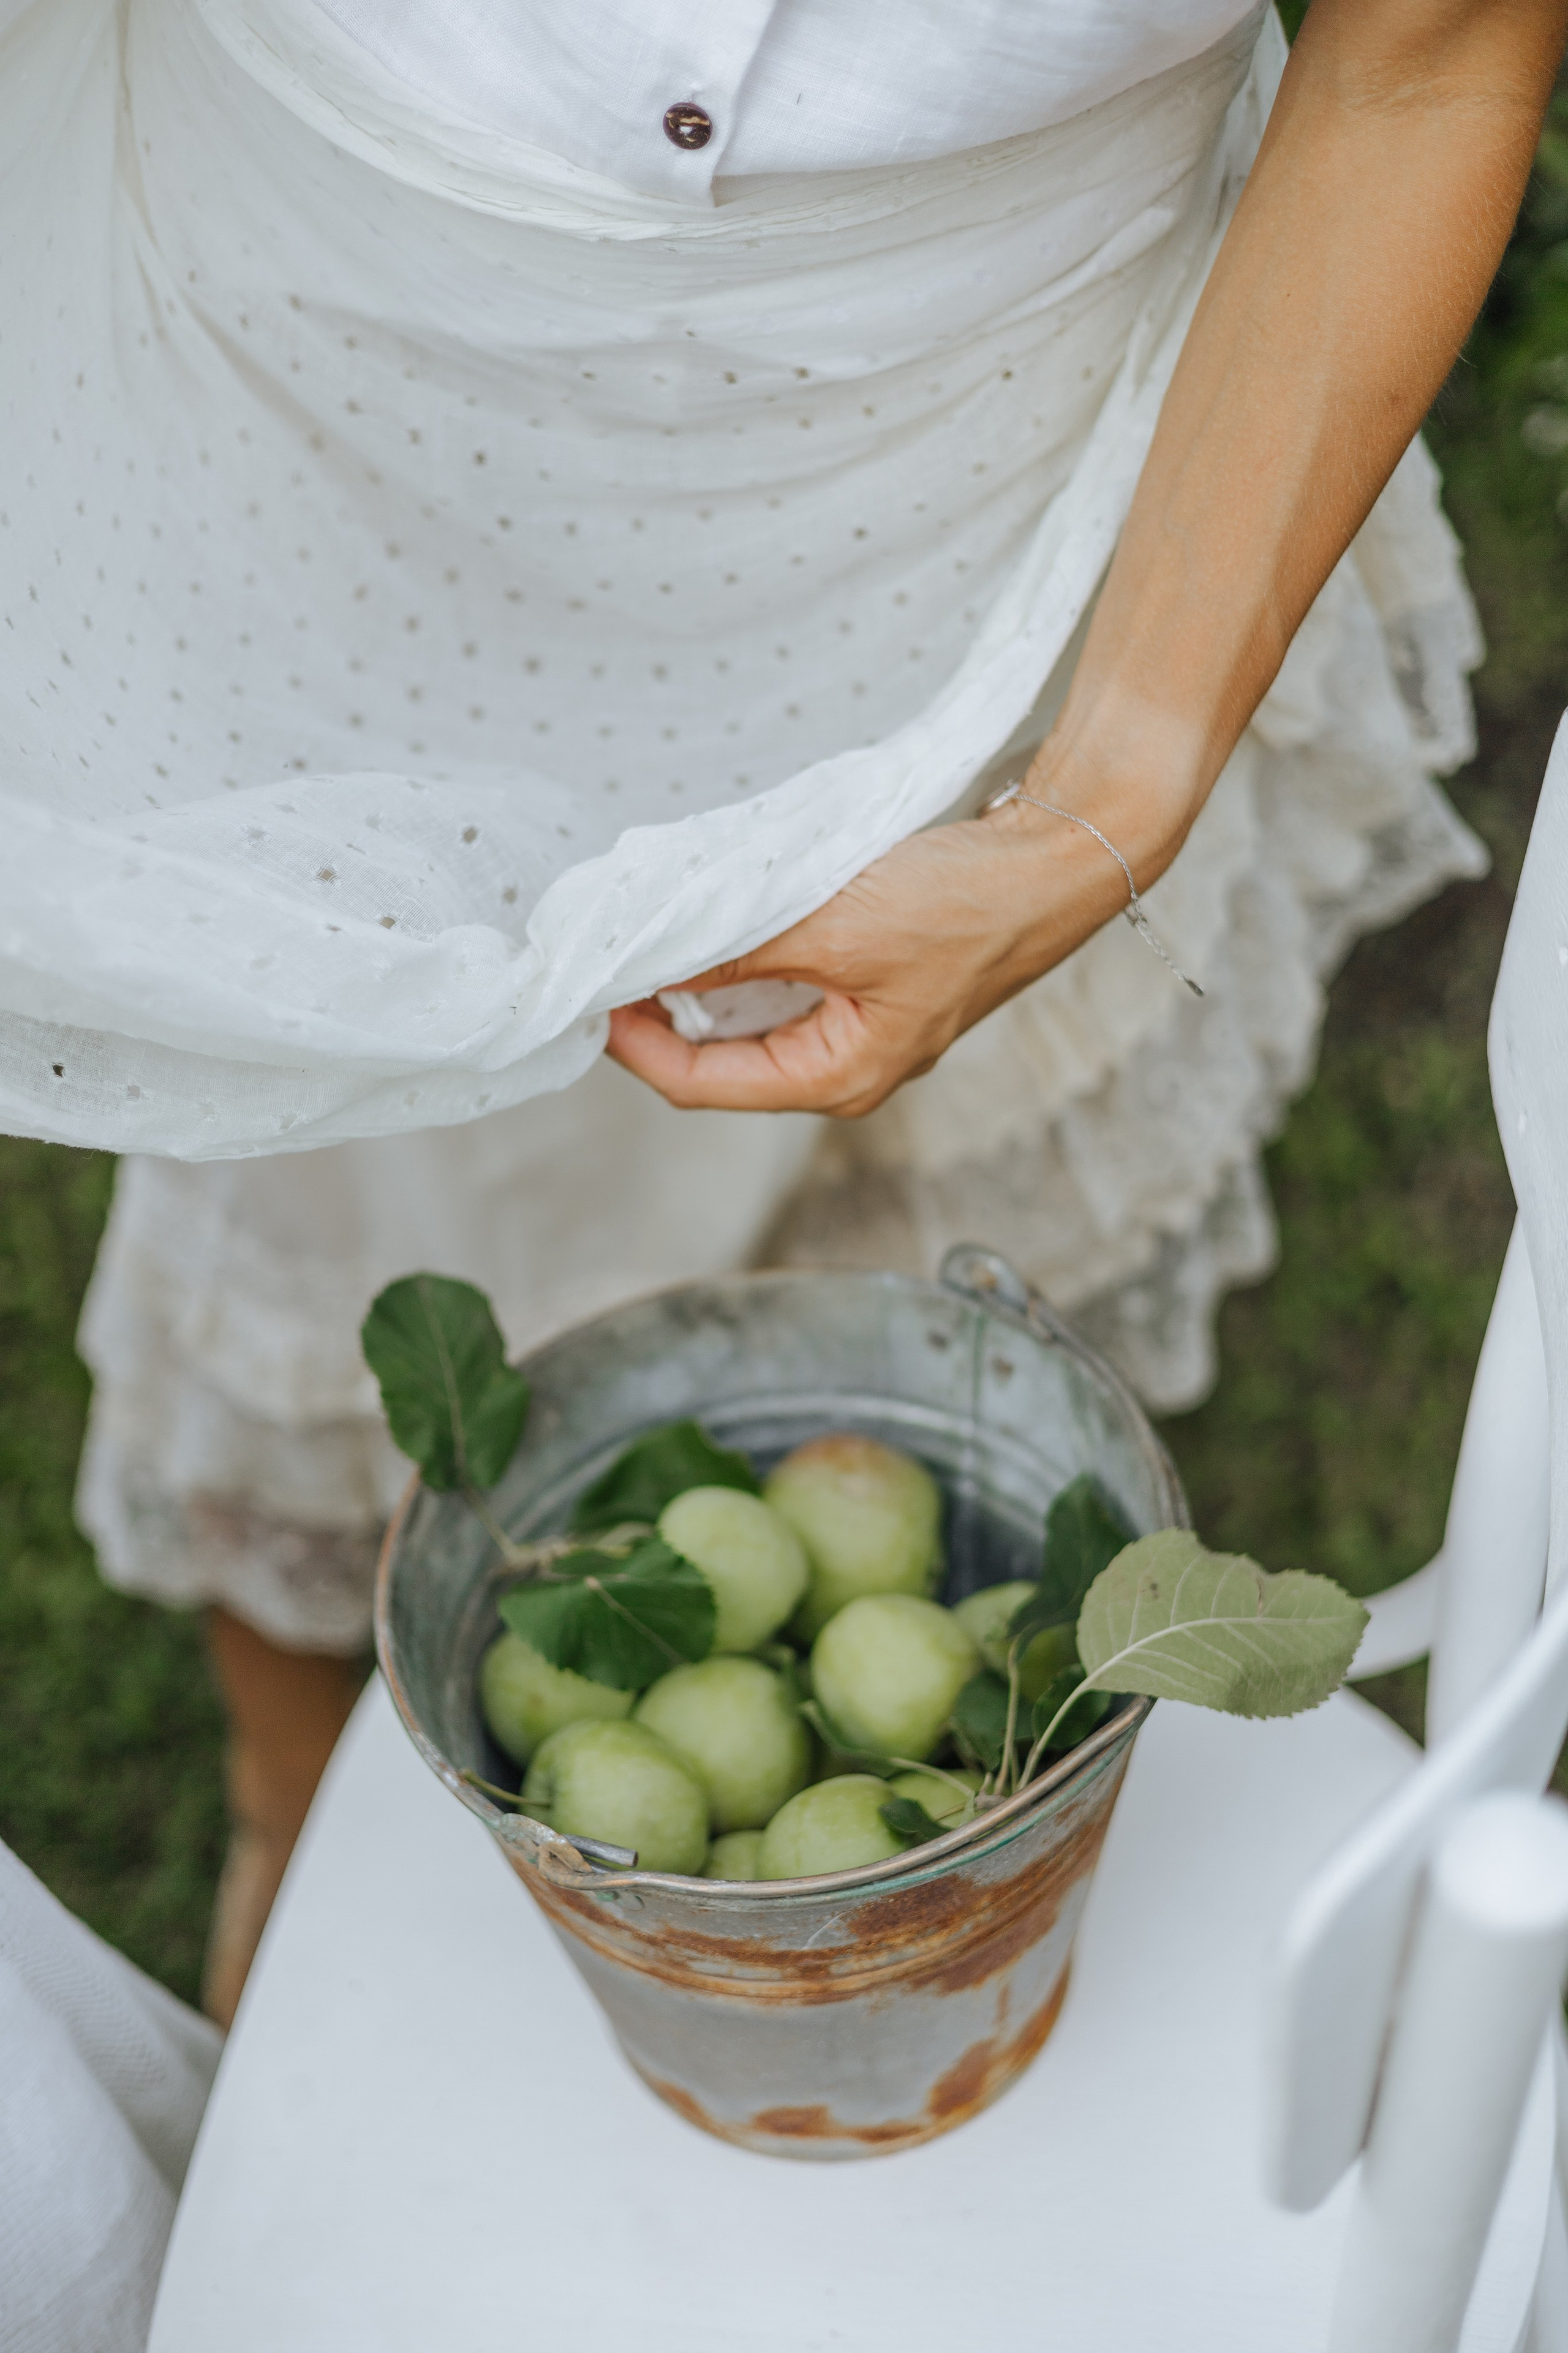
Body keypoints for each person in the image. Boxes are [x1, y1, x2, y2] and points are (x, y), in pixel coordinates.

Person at [2, 0, 1557, 2020]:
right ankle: (296, 1811)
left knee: (934, 1306)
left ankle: (868, 1900)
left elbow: (1425, 48)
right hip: (337, 516)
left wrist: (1101, 797)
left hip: (976, 487)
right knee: (349, 1221)